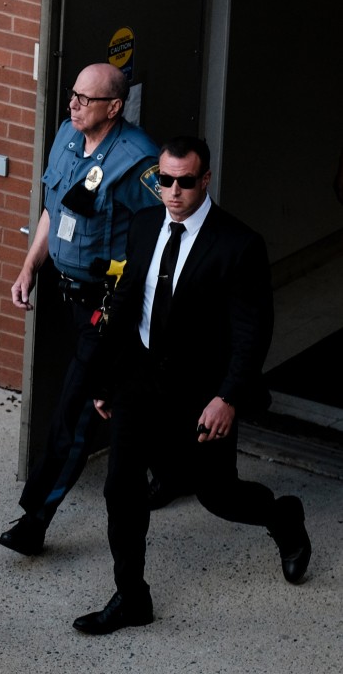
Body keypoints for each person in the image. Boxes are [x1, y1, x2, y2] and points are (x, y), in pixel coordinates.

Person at [74, 136, 312, 635]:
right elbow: (125, 309)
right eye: (165, 181)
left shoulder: (238, 244)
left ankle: (284, 519)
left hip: (201, 391)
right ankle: (132, 597)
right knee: (121, 488)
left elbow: (251, 334)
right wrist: (105, 381)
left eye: (185, 182)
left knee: (219, 495)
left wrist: (227, 398)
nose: (174, 192)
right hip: (139, 380)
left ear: (205, 180)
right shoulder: (143, 227)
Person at [0, 62, 170, 556]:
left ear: (113, 108)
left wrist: (128, 305)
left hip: (108, 305)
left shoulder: (138, 160)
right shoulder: (67, 135)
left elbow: (160, 236)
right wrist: (30, 265)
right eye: (72, 95)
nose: (73, 105)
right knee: (117, 394)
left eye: (85, 99)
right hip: (69, 295)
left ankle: (36, 519)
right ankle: (174, 465)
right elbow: (57, 206)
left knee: (75, 410)